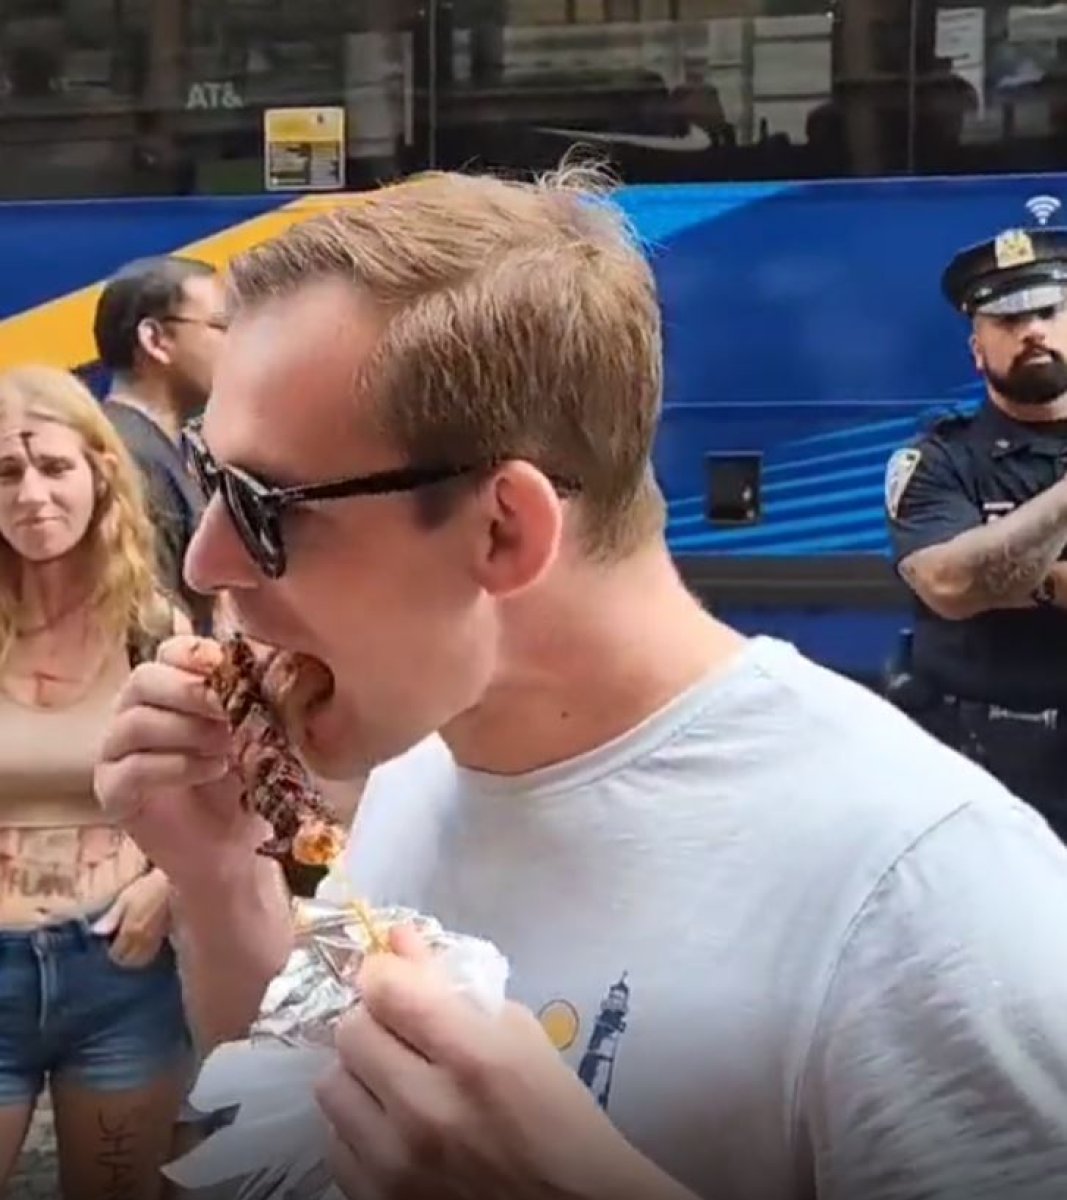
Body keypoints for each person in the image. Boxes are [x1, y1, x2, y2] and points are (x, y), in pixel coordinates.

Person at [95, 168, 1067, 1200]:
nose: (203, 564)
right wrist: (222, 886)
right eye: (206, 477)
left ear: (503, 528)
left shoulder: (927, 896)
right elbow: (299, 1132)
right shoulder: (421, 757)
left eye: (259, 504)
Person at [0, 365, 192, 1199]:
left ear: (99, 472)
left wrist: (170, 884)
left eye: (53, 467)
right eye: (6, 473)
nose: (32, 495)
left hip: (121, 972)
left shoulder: (154, 626)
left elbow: (223, 796)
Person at [884, 225, 1067, 841]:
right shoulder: (939, 461)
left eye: (1048, 310)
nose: (1032, 330)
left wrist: (1016, 578)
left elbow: (980, 576)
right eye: (1007, 320)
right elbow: (949, 582)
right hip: (985, 773)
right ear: (977, 349)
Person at [93, 255, 227, 631]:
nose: (238, 344)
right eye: (223, 326)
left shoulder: (167, 445)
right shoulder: (128, 458)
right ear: (155, 339)